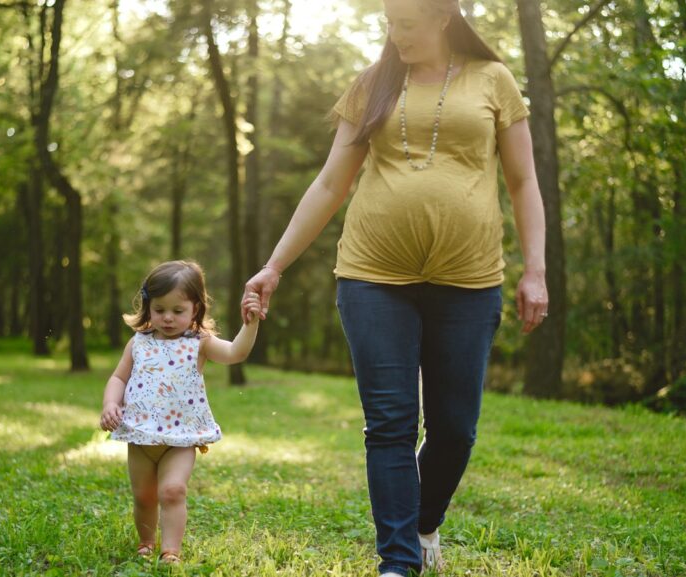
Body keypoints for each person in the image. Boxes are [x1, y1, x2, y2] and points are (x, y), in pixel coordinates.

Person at [242, 0, 548, 574]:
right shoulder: (372, 85)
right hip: (372, 276)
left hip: (469, 279)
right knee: (390, 422)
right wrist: (274, 265)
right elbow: (332, 181)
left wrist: (536, 269)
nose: (395, 34)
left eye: (406, 23)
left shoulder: (493, 79)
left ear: (443, 17)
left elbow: (523, 179)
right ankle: (398, 561)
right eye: (389, 22)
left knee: (455, 429)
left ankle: (424, 521)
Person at [100, 260, 262, 564]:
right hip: (141, 436)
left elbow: (235, 353)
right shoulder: (138, 343)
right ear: (148, 307)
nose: (168, 318)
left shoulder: (199, 343)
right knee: (145, 497)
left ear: (195, 309)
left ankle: (170, 551)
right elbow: (118, 378)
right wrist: (111, 403)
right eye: (160, 309)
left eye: (178, 311)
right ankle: (146, 542)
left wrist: (250, 324)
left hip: (181, 438)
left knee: (173, 491)